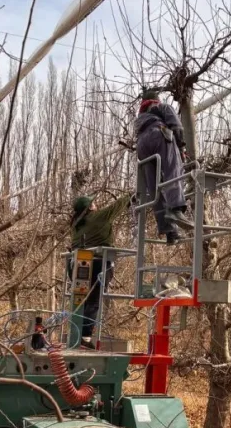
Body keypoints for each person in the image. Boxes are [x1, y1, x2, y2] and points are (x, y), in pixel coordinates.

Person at [70, 194, 132, 348]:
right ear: (90, 207)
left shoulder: (76, 224)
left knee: (80, 300)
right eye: (93, 203)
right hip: (98, 263)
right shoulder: (98, 217)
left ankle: (77, 335)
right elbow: (116, 206)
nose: (96, 205)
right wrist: (131, 196)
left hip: (75, 264)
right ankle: (85, 338)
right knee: (93, 301)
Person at [134, 90, 193, 244]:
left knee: (154, 187)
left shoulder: (140, 119)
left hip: (142, 146)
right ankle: (176, 209)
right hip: (158, 134)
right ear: (155, 100)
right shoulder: (161, 107)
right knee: (173, 168)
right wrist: (181, 148)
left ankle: (169, 231)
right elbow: (176, 126)